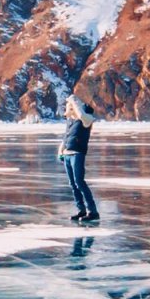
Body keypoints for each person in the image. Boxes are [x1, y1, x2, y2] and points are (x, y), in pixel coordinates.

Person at [59, 95, 100, 224]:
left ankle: (93, 212)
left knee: (79, 182)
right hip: (67, 155)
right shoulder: (71, 121)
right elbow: (65, 138)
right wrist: (61, 152)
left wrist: (74, 101)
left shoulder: (86, 119)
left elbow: (81, 114)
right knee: (73, 184)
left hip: (77, 154)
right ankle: (81, 210)